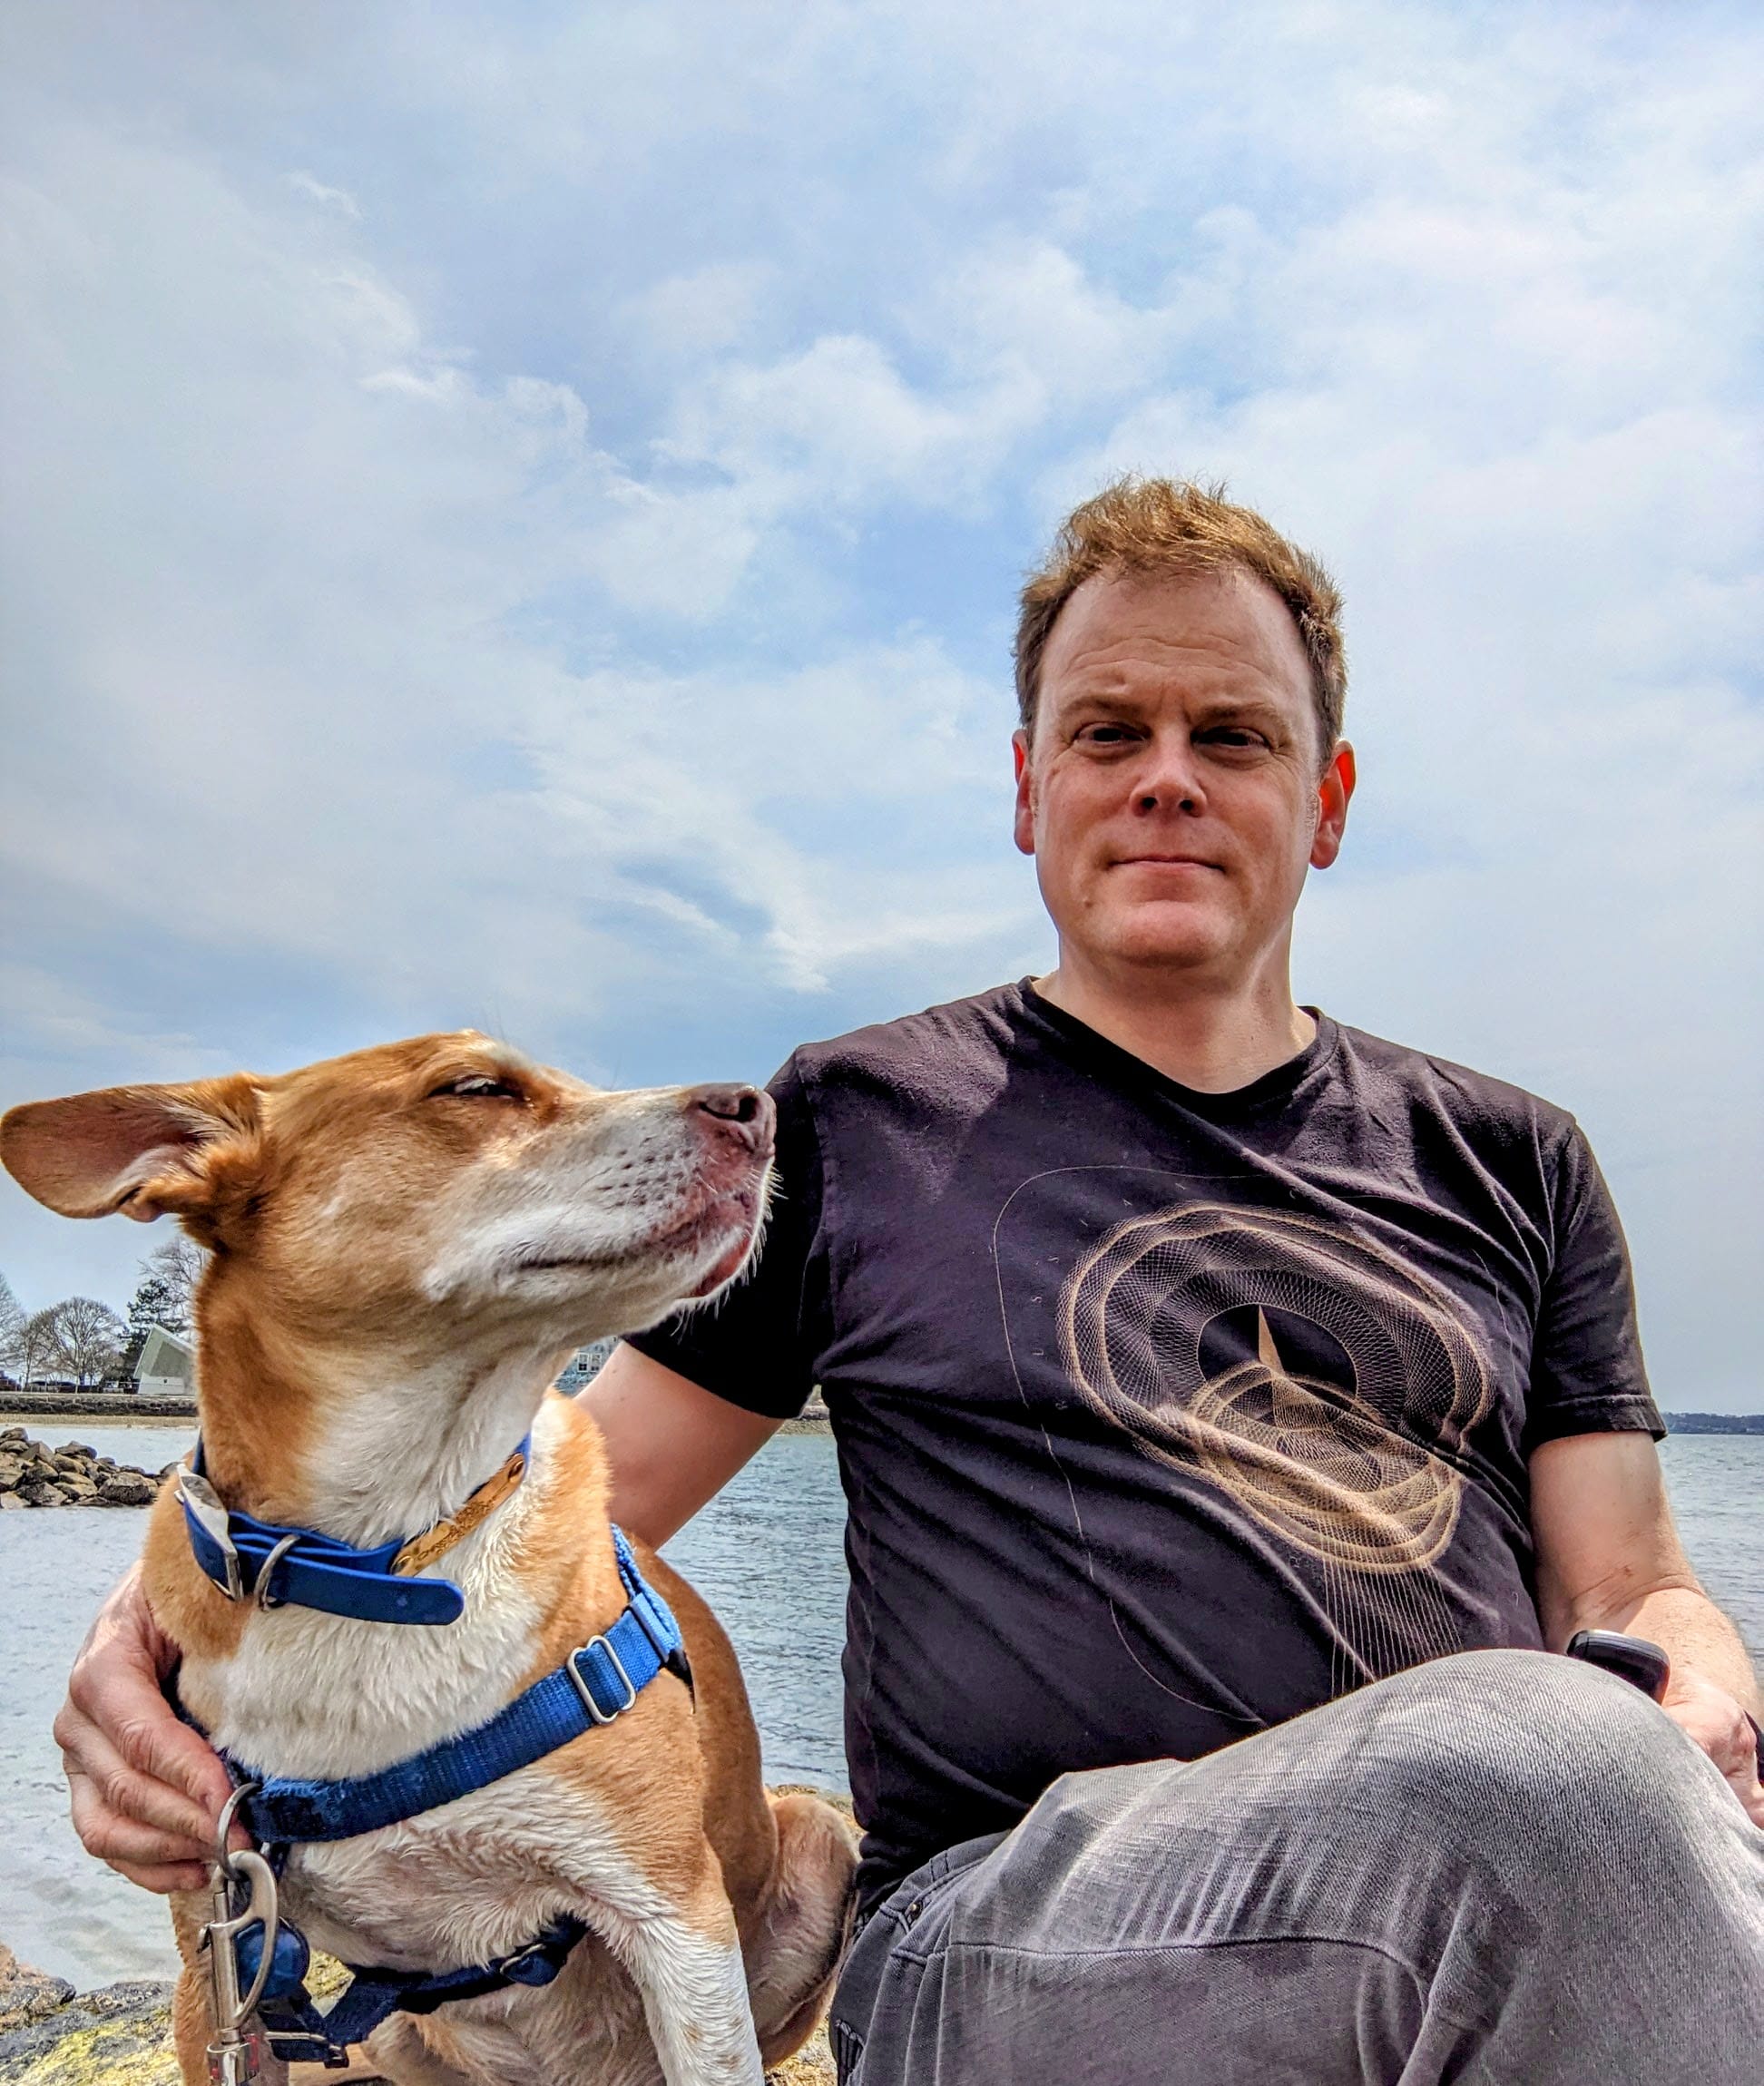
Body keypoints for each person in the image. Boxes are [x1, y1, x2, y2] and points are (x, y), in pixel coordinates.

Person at [57, 479, 1764, 2081]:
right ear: (1031, 788)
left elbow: (1627, 1587)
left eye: (1231, 736)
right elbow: (551, 1508)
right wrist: (151, 1655)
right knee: (1553, 1773)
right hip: (1011, 1934)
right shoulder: (859, 1120)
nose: (1165, 775)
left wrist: (1696, 1677)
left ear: (1323, 802)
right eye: (1112, 733)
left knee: (1586, 1770)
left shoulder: (1512, 1156)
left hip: (1474, 1862)